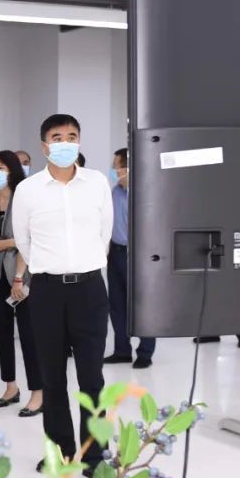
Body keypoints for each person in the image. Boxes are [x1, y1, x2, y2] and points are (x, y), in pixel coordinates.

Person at [12, 114, 113, 476]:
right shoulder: (28, 190)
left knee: (92, 378)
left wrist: (83, 264)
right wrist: (49, 267)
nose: (65, 142)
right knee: (52, 377)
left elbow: (104, 234)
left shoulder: (97, 183)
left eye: (72, 136)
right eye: (57, 137)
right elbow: (23, 240)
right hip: (47, 292)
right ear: (45, 146)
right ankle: (60, 450)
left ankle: (94, 454)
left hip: (89, 289)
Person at [0, 150, 43, 417]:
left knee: (30, 336)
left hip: (25, 278)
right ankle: (10, 387)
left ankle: (38, 393)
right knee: (3, 334)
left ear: (13, 171)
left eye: (2, 167)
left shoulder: (26, 200)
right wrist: (12, 242)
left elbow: (30, 243)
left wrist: (19, 277)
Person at [103, 148, 156, 369]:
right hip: (115, 253)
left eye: (115, 166)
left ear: (127, 168)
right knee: (116, 305)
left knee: (143, 305)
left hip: (138, 255)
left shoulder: (144, 194)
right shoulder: (114, 192)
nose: (113, 170)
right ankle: (122, 350)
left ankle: (145, 352)